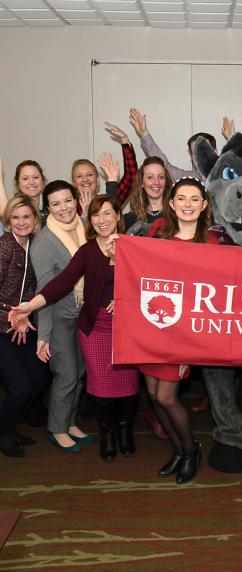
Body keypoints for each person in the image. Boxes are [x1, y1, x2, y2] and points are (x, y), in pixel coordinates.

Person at [11, 195, 141, 462]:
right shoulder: (88, 251)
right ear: (90, 219)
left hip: (127, 328)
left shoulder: (134, 246)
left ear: (118, 215)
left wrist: (125, 297)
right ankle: (107, 434)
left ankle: (124, 431)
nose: (102, 220)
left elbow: (149, 284)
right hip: (94, 327)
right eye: (96, 215)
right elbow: (61, 283)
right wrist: (30, 306)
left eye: (108, 214)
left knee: (128, 385)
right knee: (101, 386)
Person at [142, 177, 209, 483]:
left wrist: (190, 348)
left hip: (185, 334)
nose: (187, 204)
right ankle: (179, 450)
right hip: (154, 326)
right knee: (154, 396)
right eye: (181, 198)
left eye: (194, 199)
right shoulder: (159, 233)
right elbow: (141, 270)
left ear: (204, 205)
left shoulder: (211, 243)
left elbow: (212, 299)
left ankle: (191, 449)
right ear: (171, 204)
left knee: (168, 397)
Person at [28, 181, 92, 452]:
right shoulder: (43, 242)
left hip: (83, 313)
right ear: (47, 208)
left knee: (79, 372)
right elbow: (45, 292)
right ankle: (57, 429)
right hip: (59, 318)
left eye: (68, 200)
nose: (64, 208)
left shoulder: (83, 225)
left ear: (75, 199)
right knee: (66, 375)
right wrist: (43, 336)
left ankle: (70, 421)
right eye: (55, 204)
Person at [0, 196, 50, 457]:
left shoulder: (34, 246)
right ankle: (4, 429)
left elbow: (32, 288)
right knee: (20, 386)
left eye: (26, 217)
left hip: (22, 323)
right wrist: (14, 316)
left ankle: (10, 423)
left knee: (40, 378)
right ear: (8, 221)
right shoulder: (5, 246)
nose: (21, 222)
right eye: (16, 217)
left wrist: (24, 315)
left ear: (34, 221)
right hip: (2, 326)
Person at [129, 107, 216, 181]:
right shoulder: (190, 180)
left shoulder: (227, 177)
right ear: (192, 158)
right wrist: (144, 133)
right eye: (195, 153)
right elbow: (165, 167)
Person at [123, 156, 174, 236]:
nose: (156, 182)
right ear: (142, 183)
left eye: (161, 177)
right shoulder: (129, 219)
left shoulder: (176, 216)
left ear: (166, 182)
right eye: (150, 177)